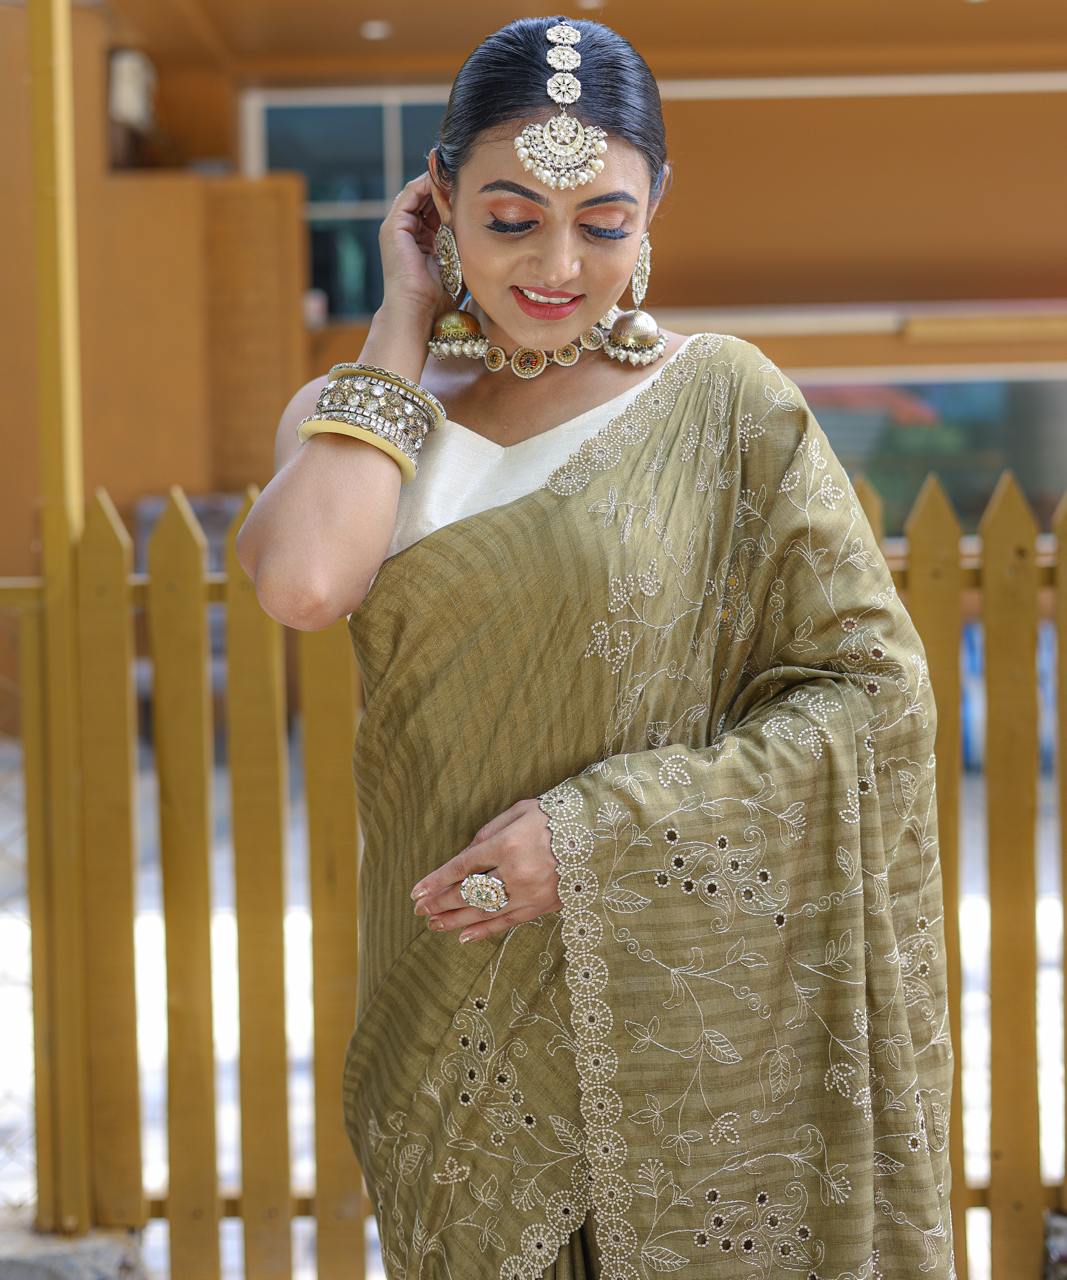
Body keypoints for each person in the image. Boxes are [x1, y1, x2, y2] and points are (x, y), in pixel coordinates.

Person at [236, 15, 957, 1280]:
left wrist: (596, 837)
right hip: (443, 998)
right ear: (437, 199)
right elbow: (301, 583)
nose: (557, 262)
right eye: (510, 218)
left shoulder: (723, 402)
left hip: (672, 1007)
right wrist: (402, 320)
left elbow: (870, 694)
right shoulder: (362, 416)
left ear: (653, 210)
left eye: (603, 222)